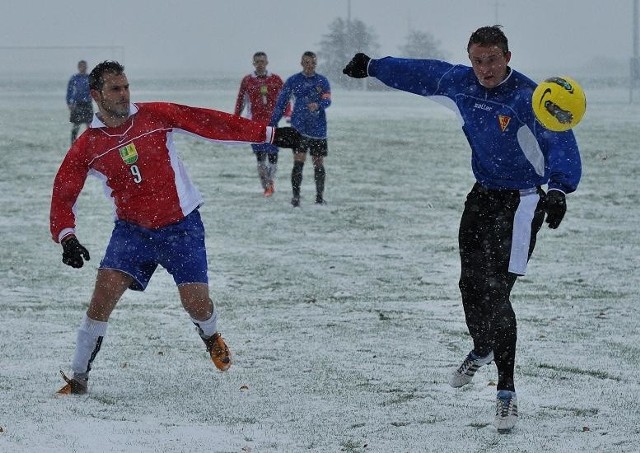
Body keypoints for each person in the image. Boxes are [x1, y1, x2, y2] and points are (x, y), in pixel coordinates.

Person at [343, 26, 581, 433]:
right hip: (481, 198)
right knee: (469, 286)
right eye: (477, 60)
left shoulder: (529, 97)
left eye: (492, 59)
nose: (484, 69)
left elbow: (561, 141)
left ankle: (505, 390)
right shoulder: (460, 82)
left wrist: (558, 189)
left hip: (522, 202)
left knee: (495, 290)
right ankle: (482, 348)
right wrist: (373, 66)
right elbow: (421, 72)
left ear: (508, 56)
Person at [50, 60, 300, 395]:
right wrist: (67, 236)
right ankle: (78, 380)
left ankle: (210, 335)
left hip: (181, 226)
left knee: (197, 303)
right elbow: (63, 191)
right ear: (96, 95)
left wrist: (268, 133)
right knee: (101, 296)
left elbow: (209, 123)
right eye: (115, 89)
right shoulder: (89, 145)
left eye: (126, 87)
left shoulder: (156, 116)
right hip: (131, 232)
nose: (124, 94)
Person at [270, 51, 331, 207]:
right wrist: (273, 122)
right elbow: (281, 103)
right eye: (306, 62)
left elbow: (328, 101)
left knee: (318, 162)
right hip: (299, 128)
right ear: (302, 63)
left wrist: (318, 105)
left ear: (316, 64)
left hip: (318, 130)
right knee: (299, 161)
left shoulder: (322, 81)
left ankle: (319, 197)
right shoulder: (293, 81)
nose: (309, 66)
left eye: (312, 63)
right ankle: (296, 197)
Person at [234, 51, 290, 197]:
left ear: (267, 63)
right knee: (260, 156)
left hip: (272, 123)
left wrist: (288, 113)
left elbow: (285, 97)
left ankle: (271, 182)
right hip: (255, 124)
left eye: (262, 61)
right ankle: (265, 184)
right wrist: (235, 118)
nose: (260, 64)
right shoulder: (247, 80)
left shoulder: (275, 79)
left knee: (273, 153)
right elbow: (241, 100)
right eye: (257, 61)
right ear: (253, 63)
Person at [66, 60, 94, 144]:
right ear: (78, 67)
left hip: (87, 103)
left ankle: (90, 143)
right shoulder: (74, 78)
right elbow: (69, 91)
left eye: (84, 66)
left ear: (87, 67)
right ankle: (73, 144)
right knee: (76, 125)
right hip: (77, 104)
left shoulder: (90, 78)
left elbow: (94, 91)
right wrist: (69, 103)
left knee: (90, 125)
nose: (83, 68)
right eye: (81, 66)